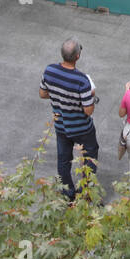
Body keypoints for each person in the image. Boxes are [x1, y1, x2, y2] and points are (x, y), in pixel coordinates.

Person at [39, 38, 99, 202]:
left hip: (61, 124)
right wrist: (91, 96)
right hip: (82, 128)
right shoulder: (82, 80)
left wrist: (60, 94)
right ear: (78, 56)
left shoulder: (49, 70)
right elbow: (88, 110)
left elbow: (43, 93)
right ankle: (85, 190)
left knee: (63, 159)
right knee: (90, 155)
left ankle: (68, 193)